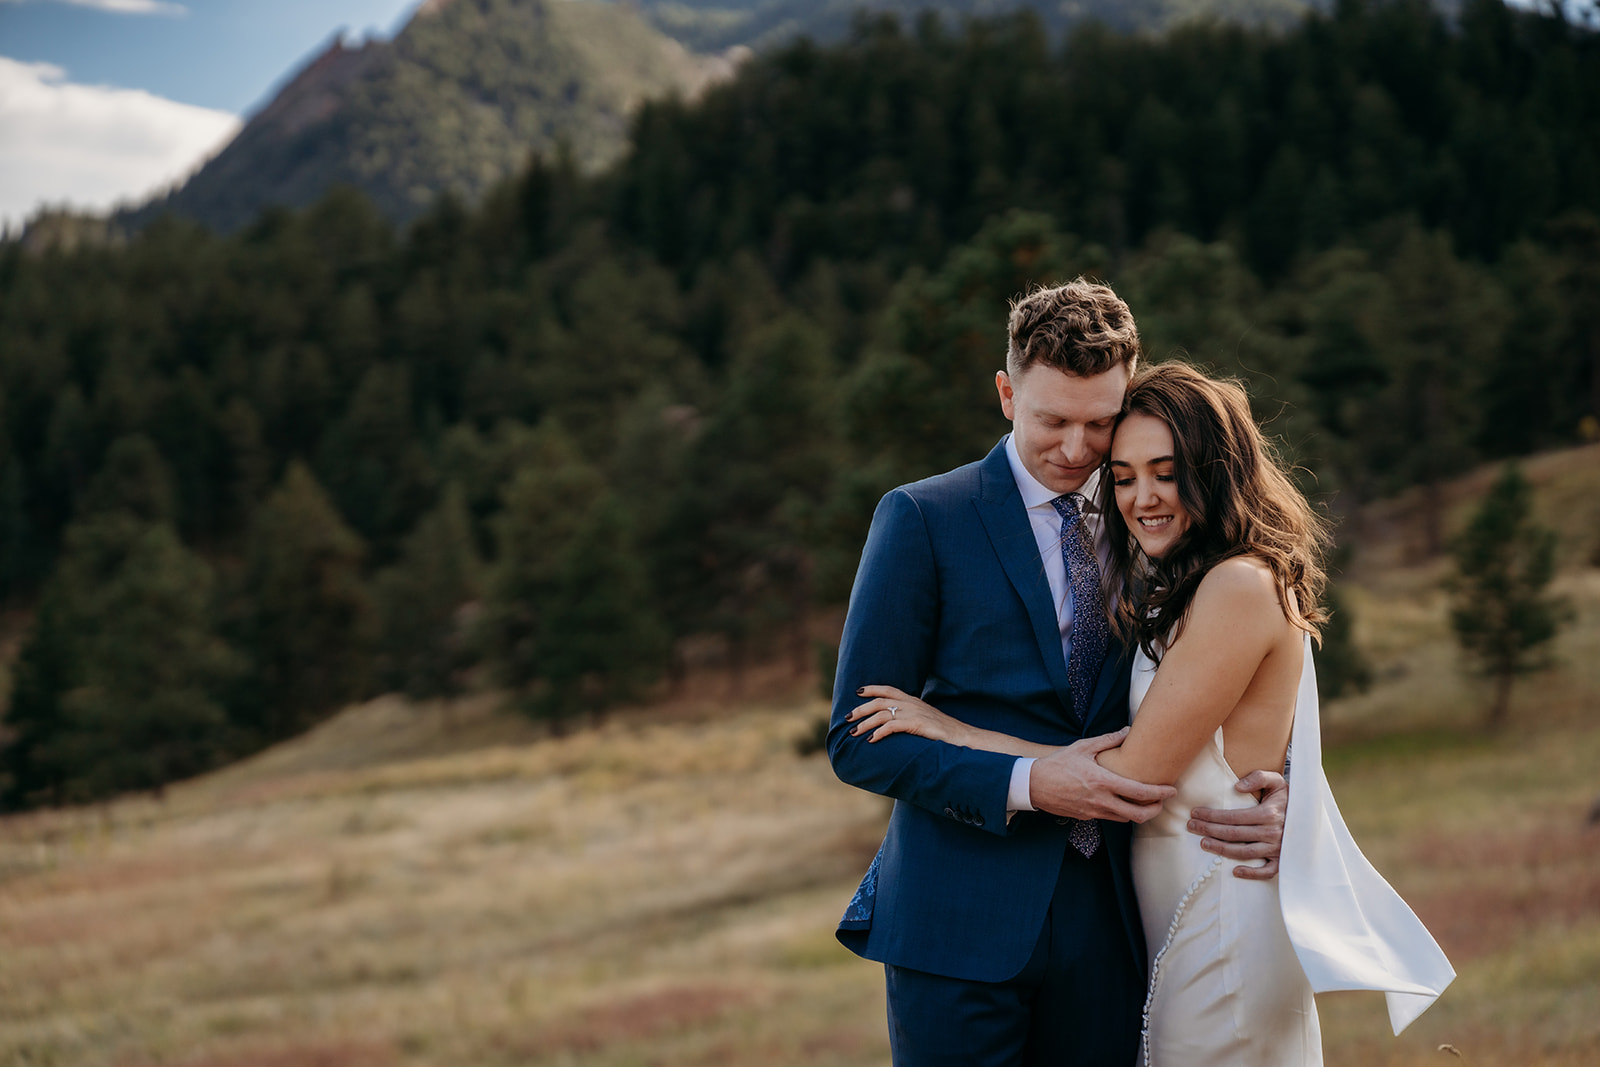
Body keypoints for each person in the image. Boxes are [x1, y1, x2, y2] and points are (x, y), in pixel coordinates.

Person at [850, 361, 1455, 1065]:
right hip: (1156, 919)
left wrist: (951, 727)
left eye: (1166, 472)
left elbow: (1134, 772)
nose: (1142, 497)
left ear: (1214, 469)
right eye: (1126, 475)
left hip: (1216, 916)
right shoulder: (1172, 578)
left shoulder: (1237, 583)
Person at [826, 282, 1291, 1067]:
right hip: (957, 926)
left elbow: (1243, 673)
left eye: (1099, 422)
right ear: (1007, 395)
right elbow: (857, 738)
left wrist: (1278, 789)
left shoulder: (1158, 519)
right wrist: (1031, 781)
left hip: (1114, 928)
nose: (1077, 448)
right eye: (1052, 420)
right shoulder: (922, 518)